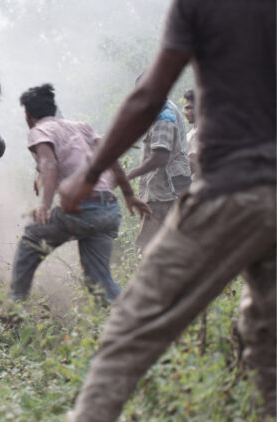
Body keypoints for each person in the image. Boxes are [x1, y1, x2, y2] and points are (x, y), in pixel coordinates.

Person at [59, 0, 275, 419]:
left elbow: (147, 98)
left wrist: (91, 172)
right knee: (268, 341)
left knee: (131, 329)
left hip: (232, 188)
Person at [10, 84, 150, 303]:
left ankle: (14, 308)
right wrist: (129, 195)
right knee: (99, 284)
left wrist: (45, 206)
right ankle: (134, 324)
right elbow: (110, 157)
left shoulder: (38, 131)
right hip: (109, 209)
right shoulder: (81, 127)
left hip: (82, 209)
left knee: (31, 238)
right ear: (53, 109)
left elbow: (50, 165)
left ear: (28, 115)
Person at [125, 85, 191, 252]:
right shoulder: (160, 111)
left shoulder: (164, 115)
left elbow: (160, 156)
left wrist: (127, 176)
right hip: (164, 192)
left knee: (151, 248)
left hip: (164, 193)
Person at [183, 88, 200, 179]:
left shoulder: (203, 133)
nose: (187, 112)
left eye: (190, 108)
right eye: (186, 108)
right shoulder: (191, 133)